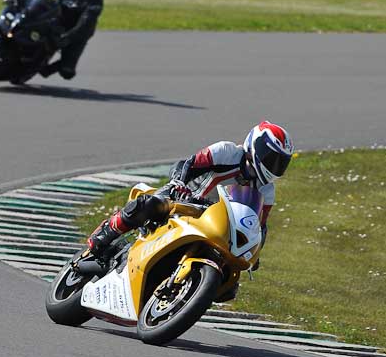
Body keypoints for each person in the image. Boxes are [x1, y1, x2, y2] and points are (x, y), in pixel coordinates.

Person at [87, 121, 294, 300]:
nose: (274, 166)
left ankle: (183, 292)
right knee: (147, 205)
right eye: (271, 158)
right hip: (186, 198)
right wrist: (180, 183)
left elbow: (260, 225)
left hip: (216, 223)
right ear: (255, 146)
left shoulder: (266, 190)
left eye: (280, 163)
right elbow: (188, 164)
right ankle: (105, 235)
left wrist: (255, 253)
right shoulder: (228, 152)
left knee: (229, 285)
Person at [11, 0, 103, 80]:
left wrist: (68, 37)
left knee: (67, 71)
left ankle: (41, 67)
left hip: (78, 31)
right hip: (59, 17)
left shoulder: (95, 0)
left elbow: (84, 24)